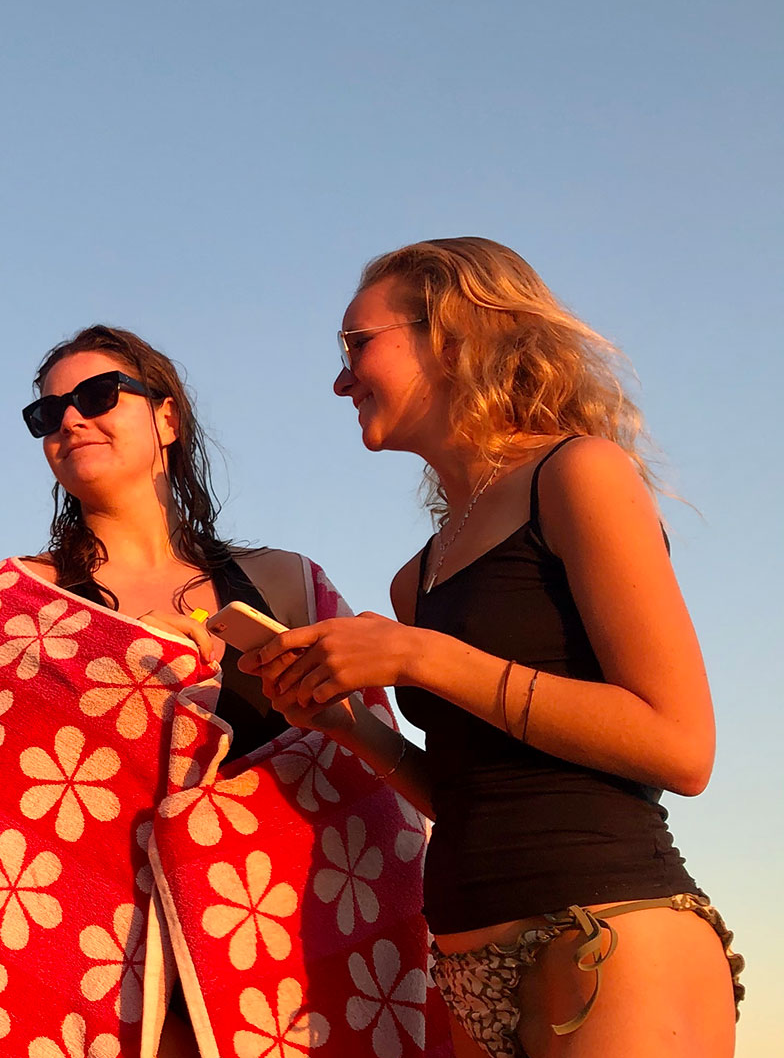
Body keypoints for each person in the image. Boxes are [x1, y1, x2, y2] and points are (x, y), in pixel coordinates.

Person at [248, 237, 742, 1058]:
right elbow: (476, 794)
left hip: (610, 937)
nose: (340, 379)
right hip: (469, 964)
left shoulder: (579, 475)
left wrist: (420, 658)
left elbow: (681, 748)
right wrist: (349, 726)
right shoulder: (419, 578)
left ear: (451, 335)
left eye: (355, 345)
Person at [0, 325, 433, 1058]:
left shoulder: (286, 583)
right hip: (98, 992)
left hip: (289, 979)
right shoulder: (19, 603)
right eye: (47, 412)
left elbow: (370, 792)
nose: (70, 419)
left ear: (166, 419)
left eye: (97, 396)